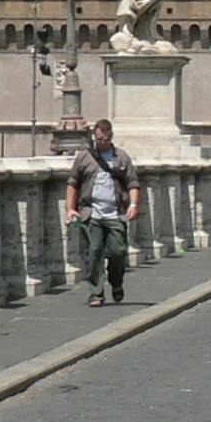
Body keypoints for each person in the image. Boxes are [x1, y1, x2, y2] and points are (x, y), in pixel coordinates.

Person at [65, 118, 140, 307]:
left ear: (111, 136)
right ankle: (96, 293)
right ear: (94, 137)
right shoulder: (84, 157)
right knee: (94, 252)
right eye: (99, 139)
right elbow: (72, 183)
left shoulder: (121, 157)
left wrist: (133, 205)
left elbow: (133, 183)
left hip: (115, 214)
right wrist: (70, 209)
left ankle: (116, 282)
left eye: (106, 139)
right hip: (92, 214)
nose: (102, 143)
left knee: (118, 252)